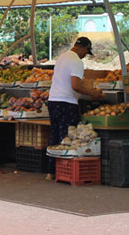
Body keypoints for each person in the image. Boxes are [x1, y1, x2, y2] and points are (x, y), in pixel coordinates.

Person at [45, 36, 105, 180]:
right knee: (68, 137)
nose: (85, 56)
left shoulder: (62, 57)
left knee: (55, 136)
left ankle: (51, 171)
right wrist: (93, 93)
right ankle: (65, 171)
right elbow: (75, 85)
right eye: (86, 52)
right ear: (83, 48)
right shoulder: (76, 61)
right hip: (66, 103)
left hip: (53, 100)